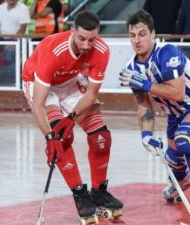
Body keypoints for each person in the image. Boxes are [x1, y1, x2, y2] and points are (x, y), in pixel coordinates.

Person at [119, 9, 190, 221]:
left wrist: (147, 84)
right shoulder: (132, 68)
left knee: (186, 139)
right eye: (132, 35)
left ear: (152, 34)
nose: (137, 40)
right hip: (176, 115)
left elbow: (177, 93)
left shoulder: (167, 52)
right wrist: (146, 135)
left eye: (142, 34)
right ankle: (181, 182)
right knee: (173, 160)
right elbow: (143, 105)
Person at [22, 10, 123, 224]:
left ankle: (99, 191)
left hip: (69, 82)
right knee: (61, 138)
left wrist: (72, 116)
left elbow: (91, 94)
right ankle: (79, 193)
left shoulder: (102, 50)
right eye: (81, 38)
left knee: (101, 138)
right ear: (72, 32)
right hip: (39, 85)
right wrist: (50, 136)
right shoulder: (53, 49)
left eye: (92, 39)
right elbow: (38, 104)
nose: (87, 45)